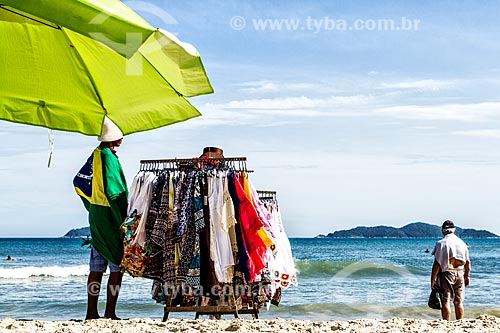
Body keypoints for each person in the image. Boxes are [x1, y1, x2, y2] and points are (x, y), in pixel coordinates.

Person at [74, 116, 128, 320]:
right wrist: (125, 215)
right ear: (114, 138)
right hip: (110, 217)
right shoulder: (108, 157)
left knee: (96, 267)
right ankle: (110, 312)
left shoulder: (96, 154)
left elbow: (79, 182)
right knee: (116, 267)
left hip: (97, 217)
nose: (122, 139)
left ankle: (91, 312)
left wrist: (91, 206)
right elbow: (115, 192)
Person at [430, 220, 471, 321]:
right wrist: (467, 276)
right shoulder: (462, 243)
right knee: (458, 301)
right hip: (460, 272)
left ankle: (446, 323)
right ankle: (459, 322)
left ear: (443, 231)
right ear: (454, 231)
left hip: (447, 273)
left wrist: (433, 279)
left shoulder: (441, 243)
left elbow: (437, 264)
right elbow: (468, 262)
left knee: (445, 300)